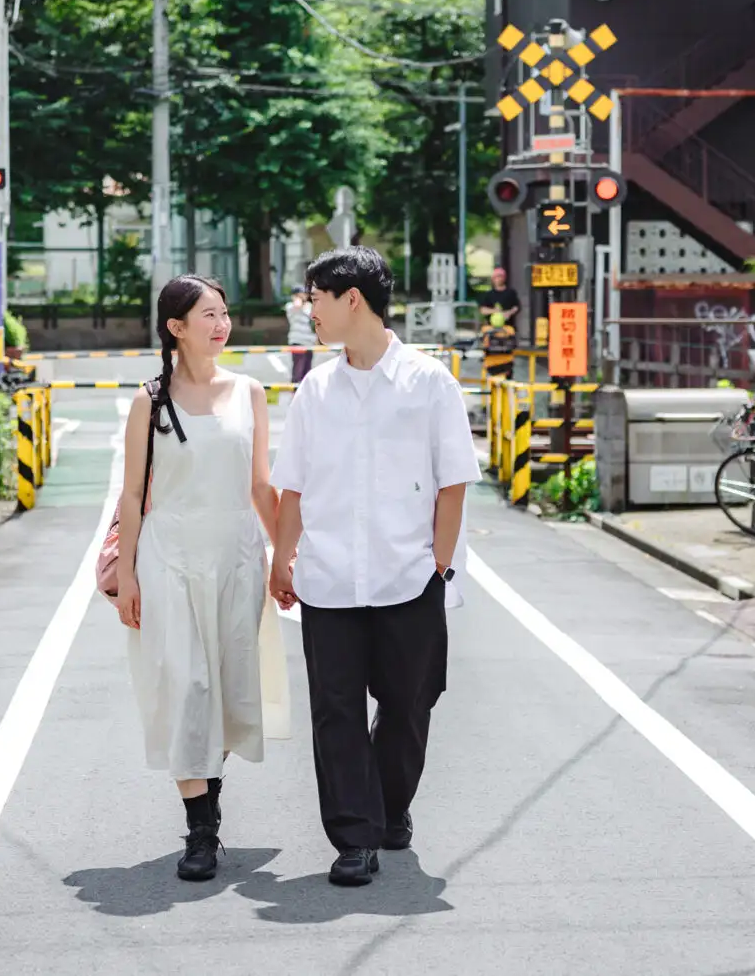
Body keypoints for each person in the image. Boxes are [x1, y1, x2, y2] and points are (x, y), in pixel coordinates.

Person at [269, 246, 481, 887]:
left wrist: (438, 565)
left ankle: (390, 806)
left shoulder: (429, 382)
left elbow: (453, 482)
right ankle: (354, 837)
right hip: (329, 579)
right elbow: (293, 487)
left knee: (410, 705)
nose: (310, 310)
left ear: (352, 299)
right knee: (334, 712)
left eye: (317, 298)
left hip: (408, 577)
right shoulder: (315, 390)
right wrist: (282, 559)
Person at [113, 273, 286, 883]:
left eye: (224, 313)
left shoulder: (250, 393)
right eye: (208, 315)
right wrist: (127, 575)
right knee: (187, 685)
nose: (221, 324)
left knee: (229, 689)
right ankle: (201, 830)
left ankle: (208, 795)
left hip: (236, 555)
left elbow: (261, 484)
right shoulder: (150, 402)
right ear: (176, 327)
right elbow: (132, 494)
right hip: (169, 557)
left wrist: (285, 554)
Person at [285, 284, 316, 383]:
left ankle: (305, 389)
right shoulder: (290, 306)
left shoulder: (309, 306)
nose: (305, 295)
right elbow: (297, 304)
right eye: (302, 293)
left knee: (307, 368)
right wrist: (297, 298)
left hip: (309, 341)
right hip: (298, 341)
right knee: (298, 367)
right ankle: (295, 389)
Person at [480, 310, 517, 379]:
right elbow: (514, 345)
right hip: (508, 364)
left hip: (490, 365)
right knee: (507, 379)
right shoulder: (510, 330)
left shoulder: (485, 329)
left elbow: (483, 345)